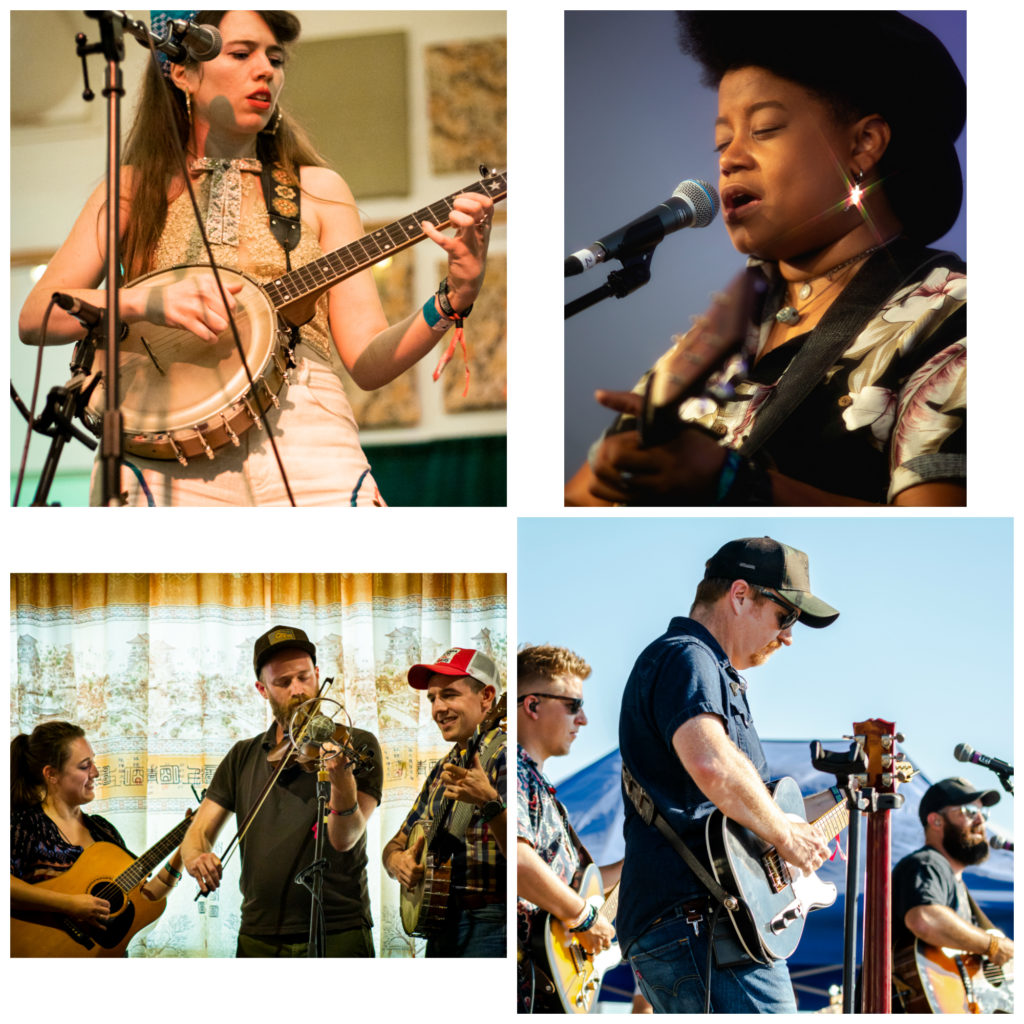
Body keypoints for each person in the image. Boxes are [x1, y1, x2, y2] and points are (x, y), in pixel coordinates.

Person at [18, 10, 495, 507]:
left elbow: (368, 363)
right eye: (241, 53)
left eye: (275, 58)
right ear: (180, 70)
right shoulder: (130, 190)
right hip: (162, 450)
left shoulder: (320, 190)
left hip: (308, 435)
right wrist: (144, 303)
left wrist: (453, 297)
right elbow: (37, 317)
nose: (266, 70)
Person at [565, 12, 965, 507]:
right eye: (721, 140)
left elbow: (936, 532)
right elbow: (580, 499)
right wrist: (615, 472)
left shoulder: (956, 316)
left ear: (864, 143)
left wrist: (734, 482)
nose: (728, 158)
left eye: (765, 129)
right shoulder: (728, 320)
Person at [618, 536, 841, 1012]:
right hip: (703, 925)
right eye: (786, 616)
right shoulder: (688, 656)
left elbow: (732, 803)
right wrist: (786, 835)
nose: (788, 636)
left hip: (706, 925)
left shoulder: (706, 668)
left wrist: (813, 819)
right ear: (740, 595)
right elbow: (712, 764)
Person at [179, 624, 383, 957]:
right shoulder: (243, 755)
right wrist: (196, 855)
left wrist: (341, 777)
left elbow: (345, 838)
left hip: (339, 927)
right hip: (260, 930)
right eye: (283, 682)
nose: (298, 690)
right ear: (262, 689)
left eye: (304, 677)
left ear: (318, 674)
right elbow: (197, 832)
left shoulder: (354, 744)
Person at [382, 647, 506, 957]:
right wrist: (398, 863)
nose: (438, 708)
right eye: (433, 699)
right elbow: (394, 845)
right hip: (440, 926)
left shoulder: (507, 756)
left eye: (449, 695)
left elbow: (524, 856)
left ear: (487, 696)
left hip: (491, 922)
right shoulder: (442, 768)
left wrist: (490, 802)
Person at [516, 644, 617, 1013]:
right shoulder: (511, 770)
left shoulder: (538, 784)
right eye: (573, 705)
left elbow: (579, 886)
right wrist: (585, 917)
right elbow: (518, 861)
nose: (584, 719)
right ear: (532, 706)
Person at [11, 721, 182, 934]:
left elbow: (147, 896)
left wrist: (184, 850)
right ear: (51, 774)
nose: (96, 773)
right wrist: (69, 904)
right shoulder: (23, 826)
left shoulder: (103, 831)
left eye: (93, 762)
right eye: (84, 766)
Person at [892, 778, 1014, 1010]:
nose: (980, 820)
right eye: (969, 811)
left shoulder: (954, 880)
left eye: (983, 813)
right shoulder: (927, 863)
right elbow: (924, 919)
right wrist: (993, 946)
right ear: (936, 820)